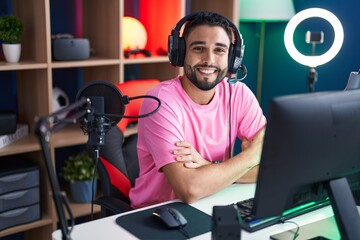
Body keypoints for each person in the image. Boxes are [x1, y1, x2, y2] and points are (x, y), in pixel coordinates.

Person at [129, 11, 266, 209]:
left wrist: (209, 168)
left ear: (232, 57)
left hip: (213, 200)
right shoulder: (159, 101)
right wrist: (250, 157)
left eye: (219, 50)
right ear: (181, 52)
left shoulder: (238, 94)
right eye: (199, 48)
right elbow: (190, 189)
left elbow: (273, 165)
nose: (208, 60)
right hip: (157, 214)